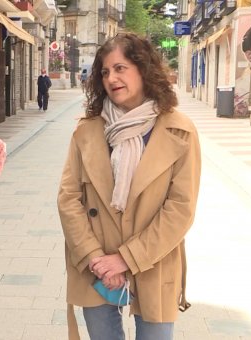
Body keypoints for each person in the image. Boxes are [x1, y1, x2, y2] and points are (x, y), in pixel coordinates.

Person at [57, 33, 201, 340]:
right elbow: (68, 198)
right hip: (94, 265)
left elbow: (181, 209)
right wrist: (97, 258)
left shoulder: (179, 130)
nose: (112, 78)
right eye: (105, 72)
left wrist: (126, 259)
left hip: (153, 261)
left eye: (120, 68)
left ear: (143, 69)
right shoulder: (87, 130)